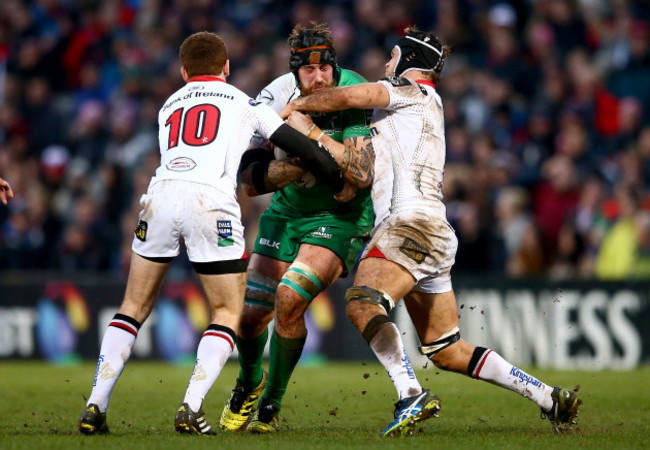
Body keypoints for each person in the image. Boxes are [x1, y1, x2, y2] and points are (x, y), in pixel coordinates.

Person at [282, 26, 582, 436]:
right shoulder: (418, 108)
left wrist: (295, 106)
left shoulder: (410, 91)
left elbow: (351, 94)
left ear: (408, 61)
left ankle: (410, 394)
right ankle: (549, 396)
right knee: (446, 349)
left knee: (361, 301)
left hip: (409, 225)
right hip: (432, 231)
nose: (386, 65)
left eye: (391, 57)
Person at [78, 31, 347, 436]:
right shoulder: (245, 102)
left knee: (132, 306)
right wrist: (334, 174)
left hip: (160, 196)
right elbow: (302, 147)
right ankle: (191, 406)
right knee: (226, 311)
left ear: (184, 71)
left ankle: (94, 406)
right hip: (211, 202)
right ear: (226, 67)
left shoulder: (168, 105)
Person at [218, 22, 375, 434]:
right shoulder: (273, 95)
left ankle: (270, 405)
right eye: (309, 71)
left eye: (326, 70)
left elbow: (361, 175)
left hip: (339, 219)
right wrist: (298, 166)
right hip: (286, 213)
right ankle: (250, 383)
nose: (320, 78)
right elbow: (249, 180)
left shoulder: (352, 91)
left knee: (289, 297)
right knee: (249, 315)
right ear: (295, 71)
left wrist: (311, 131)